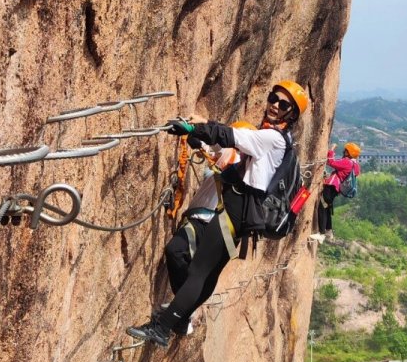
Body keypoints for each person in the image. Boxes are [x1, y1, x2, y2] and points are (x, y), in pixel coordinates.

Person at [127, 79, 309, 347]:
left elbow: (232, 137)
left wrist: (197, 126)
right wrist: (201, 137)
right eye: (273, 98)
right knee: (207, 273)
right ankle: (176, 319)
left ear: (290, 114)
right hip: (240, 209)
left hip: (237, 212)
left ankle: (162, 327)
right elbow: (237, 170)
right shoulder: (275, 138)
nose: (274, 105)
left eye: (283, 104)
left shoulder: (273, 139)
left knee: (200, 270)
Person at [315, 142, 361, 242]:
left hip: (331, 186)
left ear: (349, 153)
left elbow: (331, 162)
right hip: (336, 189)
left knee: (322, 207)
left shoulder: (347, 162)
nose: (344, 152)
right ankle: (328, 231)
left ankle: (321, 234)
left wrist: (331, 150)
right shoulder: (355, 165)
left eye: (345, 151)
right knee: (327, 207)